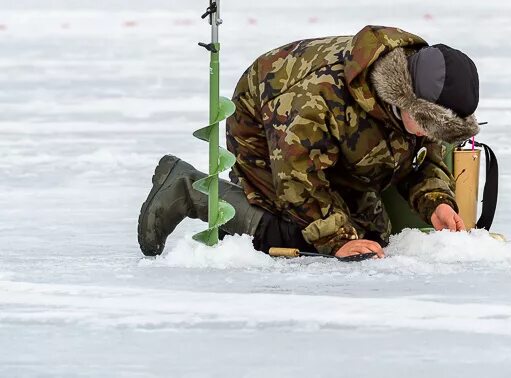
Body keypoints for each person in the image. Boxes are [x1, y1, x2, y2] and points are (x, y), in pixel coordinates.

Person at [138, 25, 480, 260]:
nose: (425, 133)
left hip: (339, 146)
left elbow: (419, 159)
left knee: (373, 238)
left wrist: (436, 201)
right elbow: (298, 181)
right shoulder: (315, 100)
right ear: (403, 96)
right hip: (268, 133)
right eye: (423, 123)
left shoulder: (418, 98)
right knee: (303, 238)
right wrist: (337, 240)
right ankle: (188, 187)